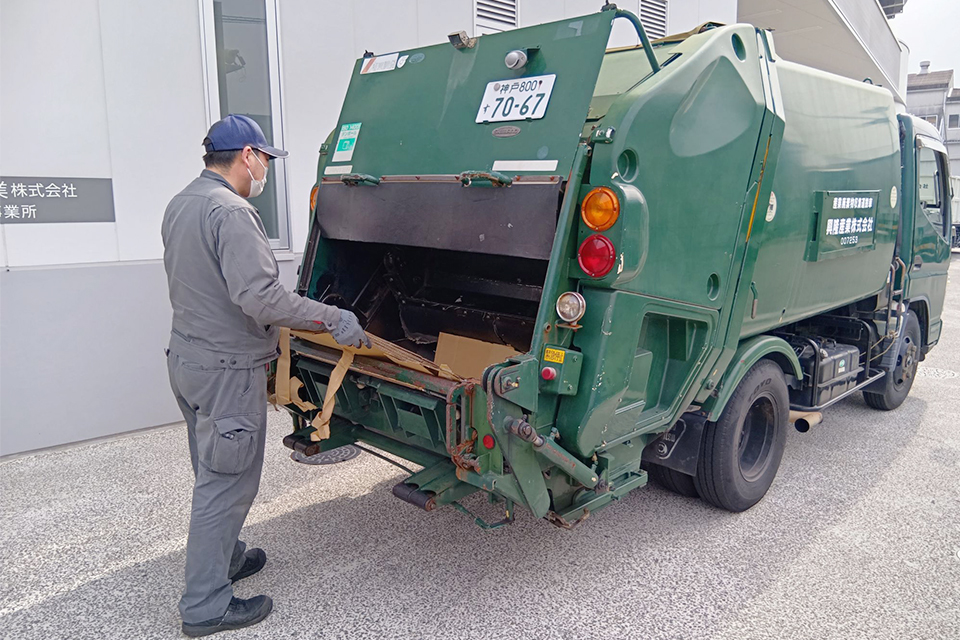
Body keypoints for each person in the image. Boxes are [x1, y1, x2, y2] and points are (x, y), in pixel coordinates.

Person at [161, 114, 370, 637]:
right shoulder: (232, 211)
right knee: (226, 483)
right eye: (265, 159)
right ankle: (205, 605)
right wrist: (331, 317)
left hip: (188, 361)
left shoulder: (183, 201)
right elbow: (260, 298)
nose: (266, 170)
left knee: (212, 468)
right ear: (247, 156)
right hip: (226, 371)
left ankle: (227, 558)